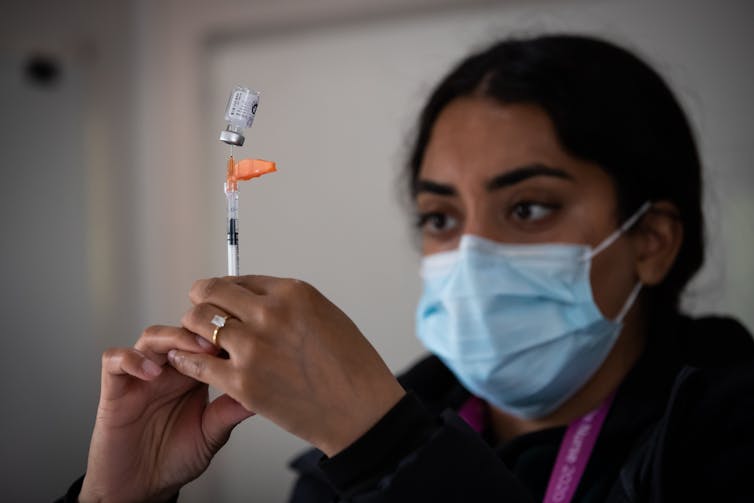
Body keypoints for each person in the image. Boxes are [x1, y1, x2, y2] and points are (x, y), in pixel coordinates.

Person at [59, 34, 754, 503]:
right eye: (441, 218)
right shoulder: (335, 473)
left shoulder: (727, 439)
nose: (473, 254)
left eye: (530, 208)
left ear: (652, 239)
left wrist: (384, 443)